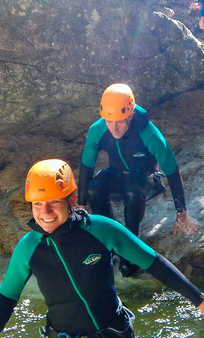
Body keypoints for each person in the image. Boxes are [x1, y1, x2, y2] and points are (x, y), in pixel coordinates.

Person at [0, 159, 204, 338]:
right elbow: (7, 295)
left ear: (71, 199)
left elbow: (154, 263)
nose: (44, 212)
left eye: (53, 202)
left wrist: (200, 300)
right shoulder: (29, 246)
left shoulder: (102, 229)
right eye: (37, 204)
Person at [76, 83, 197, 277]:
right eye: (109, 121)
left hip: (147, 178)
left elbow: (172, 170)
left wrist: (181, 211)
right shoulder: (97, 130)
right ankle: (110, 237)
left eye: (120, 122)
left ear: (130, 115)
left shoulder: (148, 132)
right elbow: (87, 165)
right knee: (93, 188)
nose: (114, 128)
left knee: (133, 191)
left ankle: (129, 249)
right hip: (116, 174)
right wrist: (81, 204)